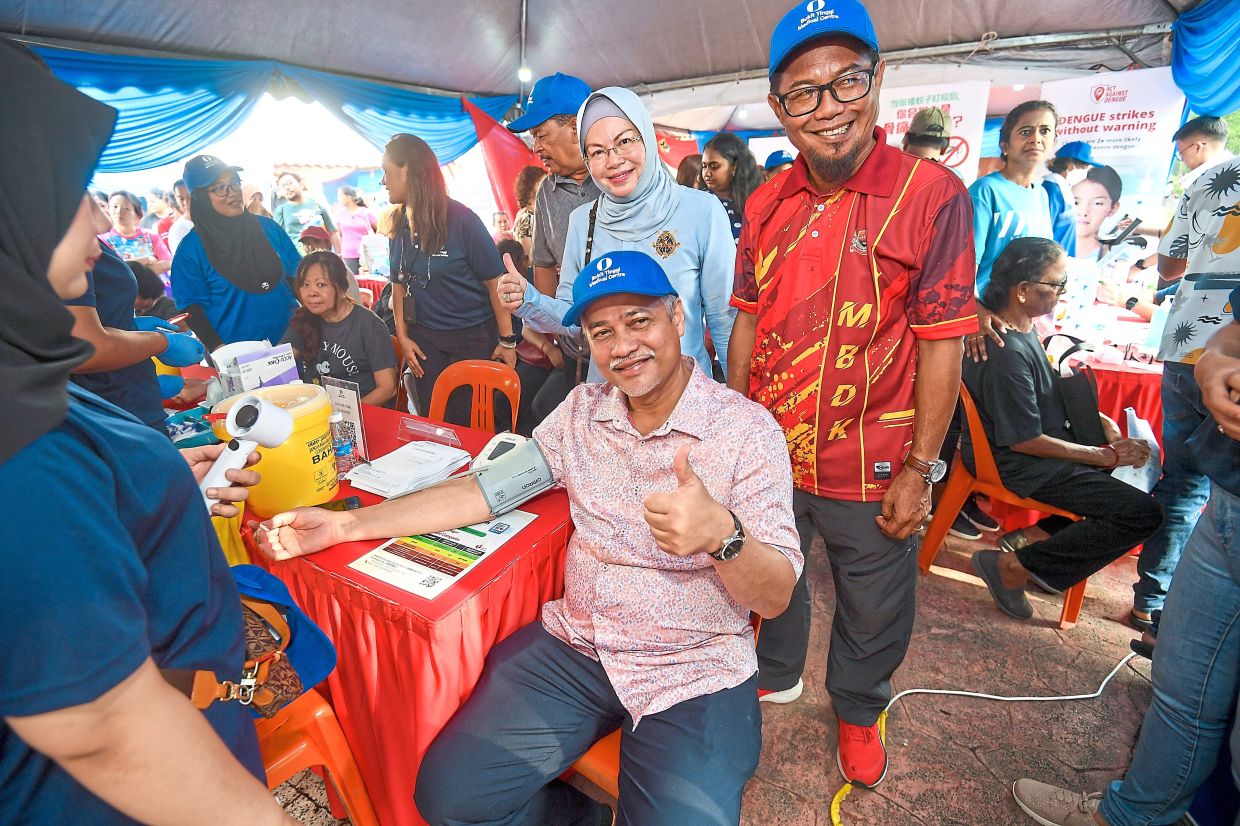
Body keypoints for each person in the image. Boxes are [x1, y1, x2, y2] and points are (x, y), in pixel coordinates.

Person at [257, 249, 802, 826]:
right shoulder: (580, 415)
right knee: (451, 799)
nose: (623, 346)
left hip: (695, 666)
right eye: (602, 332)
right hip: (581, 649)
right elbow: (483, 492)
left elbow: (774, 597)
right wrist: (348, 523)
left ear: (676, 316)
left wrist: (725, 535)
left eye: (639, 321)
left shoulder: (744, 431)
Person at [0, 38, 291, 825]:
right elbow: (101, 726)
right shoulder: (15, 443)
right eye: (76, 191)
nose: (101, 217)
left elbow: (69, 545)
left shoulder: (25, 367)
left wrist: (168, 489)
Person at [727, 0, 978, 788]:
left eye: (847, 82)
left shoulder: (931, 194)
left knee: (874, 604)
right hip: (772, 448)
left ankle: (861, 707)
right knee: (774, 573)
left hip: (875, 459)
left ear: (878, 83)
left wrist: (923, 470)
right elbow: (745, 323)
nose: (827, 107)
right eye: (804, 92)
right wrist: (729, 431)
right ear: (779, 108)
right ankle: (779, 667)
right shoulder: (765, 203)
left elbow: (944, 342)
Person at [1010, 284, 1240, 826]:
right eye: (1055, 285)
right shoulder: (1006, 341)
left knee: (1143, 511)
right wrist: (1213, 366)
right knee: (1181, 691)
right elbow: (1227, 339)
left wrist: (1103, 449)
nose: (1063, 294)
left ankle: (1020, 565)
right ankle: (1129, 814)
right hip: (1228, 498)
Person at [959, 237, 1162, 619]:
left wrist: (1105, 429)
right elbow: (1024, 441)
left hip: (1038, 449)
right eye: (1057, 285)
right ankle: (1013, 566)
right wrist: (1103, 454)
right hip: (1019, 463)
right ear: (1022, 291)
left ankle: (1036, 541)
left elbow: (1050, 393)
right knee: (1142, 514)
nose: (1063, 292)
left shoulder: (1024, 329)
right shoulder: (1006, 351)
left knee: (1141, 491)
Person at [497, 86, 737, 391]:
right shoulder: (583, 221)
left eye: (624, 141)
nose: (613, 160)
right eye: (597, 151)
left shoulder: (700, 210)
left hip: (684, 399)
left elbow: (725, 321)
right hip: (610, 405)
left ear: (647, 138)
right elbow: (573, 320)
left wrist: (739, 404)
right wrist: (528, 300)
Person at [1132, 118, 1240, 631]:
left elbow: (1170, 267)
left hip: (1190, 343)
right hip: (1229, 353)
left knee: (1183, 485)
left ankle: (1151, 600)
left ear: (1195, 147)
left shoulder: (1208, 181)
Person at [382, 133, 517, 425]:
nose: (383, 181)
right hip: (425, 342)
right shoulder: (398, 225)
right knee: (437, 422)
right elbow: (398, 285)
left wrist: (507, 342)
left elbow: (495, 284)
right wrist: (403, 337)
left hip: (472, 338)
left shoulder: (462, 220)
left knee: (475, 423)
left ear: (408, 171)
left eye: (387, 172)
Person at [505, 72, 598, 425]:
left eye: (541, 135)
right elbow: (543, 264)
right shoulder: (547, 192)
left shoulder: (616, 180)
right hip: (575, 347)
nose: (536, 148)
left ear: (576, 126)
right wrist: (551, 324)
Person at [65, 195, 204, 428]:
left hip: (126, 400)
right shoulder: (62, 244)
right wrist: (161, 342)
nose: (106, 222)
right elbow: (83, 347)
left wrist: (132, 327)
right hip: (111, 414)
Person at [170, 155, 302, 350]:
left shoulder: (269, 229)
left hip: (293, 345)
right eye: (220, 188)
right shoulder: (190, 251)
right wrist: (221, 351)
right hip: (240, 358)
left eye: (234, 182)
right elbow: (192, 309)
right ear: (201, 197)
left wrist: (304, 332)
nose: (233, 192)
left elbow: (298, 279)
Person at [967, 100, 1056, 347]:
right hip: (990, 321)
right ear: (1005, 145)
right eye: (1026, 131)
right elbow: (962, 266)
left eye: (1045, 130)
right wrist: (976, 311)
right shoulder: (985, 191)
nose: (1036, 138)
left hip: (1026, 323)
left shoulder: (1041, 195)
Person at [283, 251, 397, 407]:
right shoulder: (304, 319)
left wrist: (347, 415)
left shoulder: (369, 325)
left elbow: (388, 388)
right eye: (305, 285)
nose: (311, 293)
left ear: (342, 289)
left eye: (321, 284)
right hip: (318, 410)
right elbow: (281, 361)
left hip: (362, 412)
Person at [1043, 140, 1100, 257]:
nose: (1085, 171)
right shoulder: (1052, 190)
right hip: (1050, 263)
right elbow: (1044, 235)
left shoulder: (1064, 188)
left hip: (1061, 260)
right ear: (1069, 164)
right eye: (1084, 166)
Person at [702, 132, 763, 240]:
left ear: (734, 167)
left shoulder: (757, 201)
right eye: (704, 166)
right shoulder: (700, 201)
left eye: (714, 166)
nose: (707, 173)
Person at [102, 190, 172, 276]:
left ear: (137, 213)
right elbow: (114, 271)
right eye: (115, 206)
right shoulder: (104, 241)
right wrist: (146, 260)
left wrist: (131, 267)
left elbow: (168, 263)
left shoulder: (150, 235)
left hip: (157, 286)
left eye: (126, 208)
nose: (119, 211)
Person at [272, 172, 338, 253]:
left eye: (289, 183)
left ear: (301, 184)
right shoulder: (281, 210)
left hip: (323, 255)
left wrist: (340, 256)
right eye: (282, 186)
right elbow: (278, 239)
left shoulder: (317, 204)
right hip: (297, 259)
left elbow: (333, 232)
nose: (287, 188)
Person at [1071, 164, 1122, 262]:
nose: (1083, 212)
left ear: (1113, 208)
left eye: (1097, 203)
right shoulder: (1046, 253)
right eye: (1076, 202)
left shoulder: (1116, 258)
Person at [333, 185, 377, 274]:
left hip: (366, 254)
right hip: (348, 254)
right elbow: (338, 234)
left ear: (349, 197)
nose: (339, 199)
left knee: (368, 280)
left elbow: (379, 230)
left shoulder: (366, 212)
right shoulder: (340, 214)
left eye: (340, 196)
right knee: (353, 282)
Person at [512, 165, 547, 261]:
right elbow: (529, 257)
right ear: (530, 187)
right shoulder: (526, 216)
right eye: (543, 183)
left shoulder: (528, 214)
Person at [167, 178, 194, 253]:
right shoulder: (177, 231)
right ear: (176, 199)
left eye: (190, 197)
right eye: (181, 199)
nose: (186, 203)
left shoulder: (215, 218)